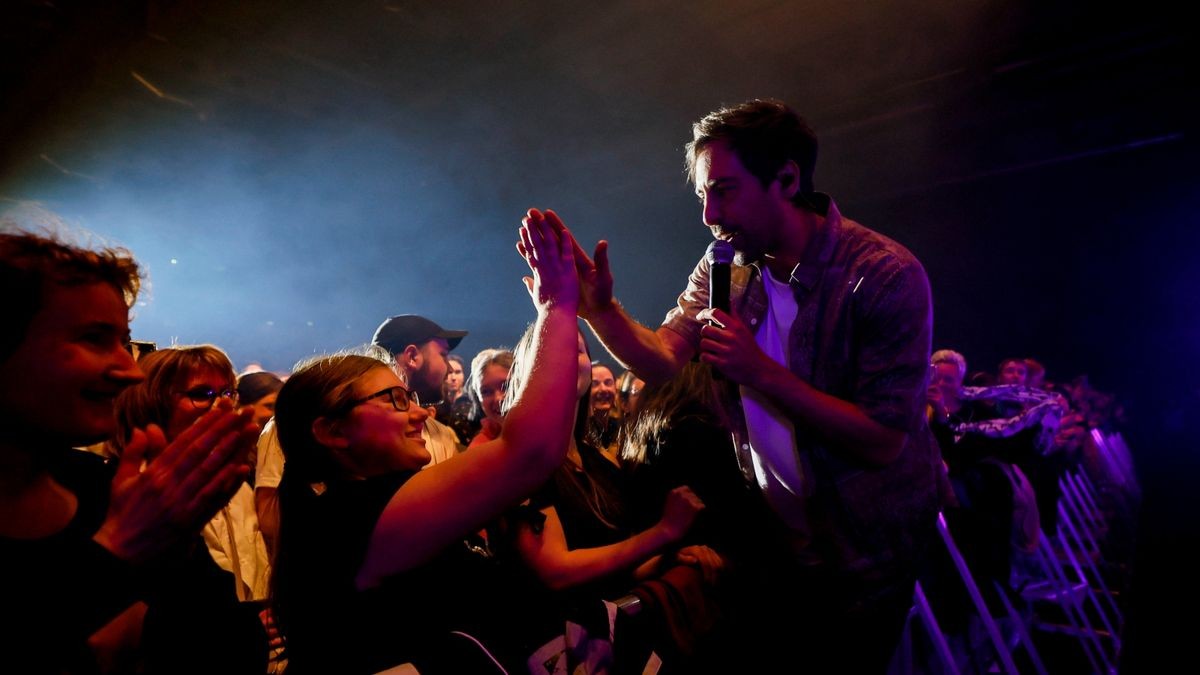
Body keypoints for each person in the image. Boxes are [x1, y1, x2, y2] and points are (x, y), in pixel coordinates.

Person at [523, 98, 941, 671]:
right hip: (777, 540)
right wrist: (599, 311)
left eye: (724, 190)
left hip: (864, 549)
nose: (708, 215)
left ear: (787, 178)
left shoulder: (883, 275)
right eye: (702, 195)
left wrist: (760, 373)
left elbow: (884, 439)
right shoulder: (726, 264)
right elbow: (665, 358)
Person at [270, 212, 581, 674]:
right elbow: (531, 452)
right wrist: (557, 306)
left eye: (411, 397)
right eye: (395, 400)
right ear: (332, 432)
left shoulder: (370, 499)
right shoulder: (346, 518)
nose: (421, 411)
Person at [0, 230, 258, 672]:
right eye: (94, 339)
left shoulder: (102, 486)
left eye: (124, 341)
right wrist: (118, 552)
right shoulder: (127, 504)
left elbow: (240, 645)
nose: (130, 372)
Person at [466, 348, 514, 448]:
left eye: (506, 386)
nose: (498, 398)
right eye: (486, 392)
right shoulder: (478, 449)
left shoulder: (552, 432)